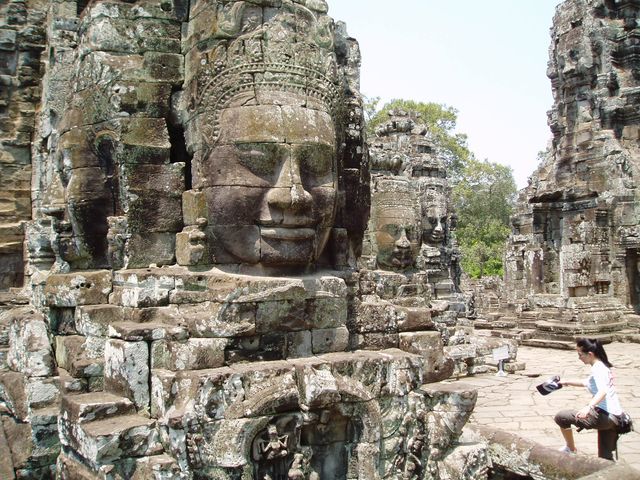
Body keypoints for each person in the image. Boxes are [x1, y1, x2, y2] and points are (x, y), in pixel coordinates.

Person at [554, 338, 623, 459]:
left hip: (604, 417)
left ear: (590, 354)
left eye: (580, 354)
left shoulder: (598, 369)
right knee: (605, 457)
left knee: (561, 417)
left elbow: (603, 391)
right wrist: (565, 381)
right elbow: (586, 382)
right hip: (615, 417)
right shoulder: (602, 367)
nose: (579, 358)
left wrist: (588, 407)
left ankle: (570, 448)